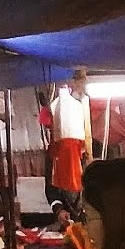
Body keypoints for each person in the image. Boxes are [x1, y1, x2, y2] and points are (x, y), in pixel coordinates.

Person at [47, 70, 92, 206]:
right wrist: (59, 209)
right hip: (68, 211)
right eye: (78, 79)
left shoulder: (91, 148)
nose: (81, 84)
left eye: (82, 79)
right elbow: (51, 190)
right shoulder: (55, 152)